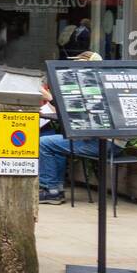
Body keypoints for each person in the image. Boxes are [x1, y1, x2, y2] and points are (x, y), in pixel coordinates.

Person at [39, 51, 108, 204]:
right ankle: (56, 188)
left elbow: (76, 114)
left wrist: (50, 98)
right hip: (102, 139)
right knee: (54, 141)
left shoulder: (93, 87)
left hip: (102, 142)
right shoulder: (102, 84)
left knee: (44, 142)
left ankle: (51, 190)